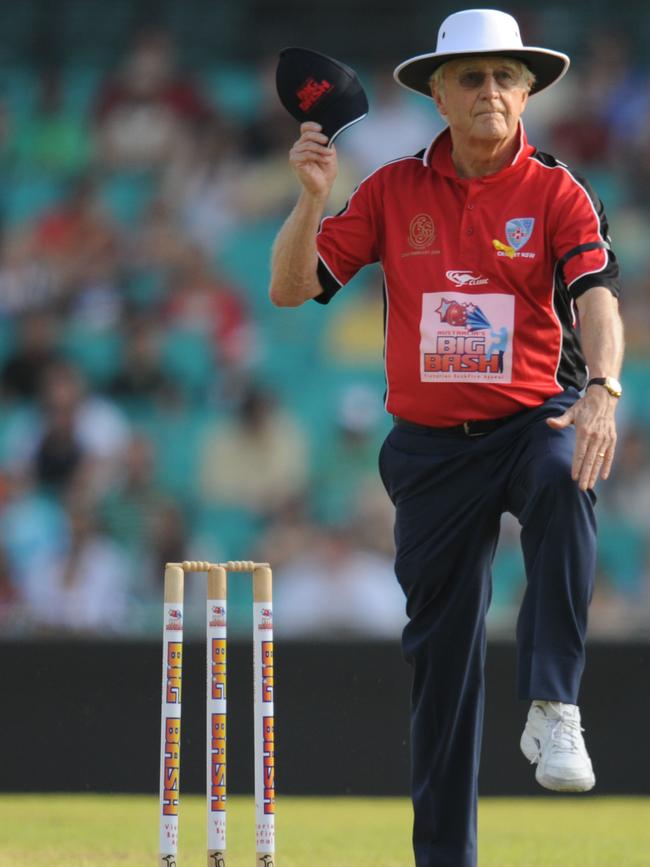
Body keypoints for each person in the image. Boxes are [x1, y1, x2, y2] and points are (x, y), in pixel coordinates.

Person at [269, 9, 624, 867]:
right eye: (472, 77)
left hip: (528, 418)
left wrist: (606, 388)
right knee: (442, 660)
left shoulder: (558, 190)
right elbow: (290, 288)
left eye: (506, 75)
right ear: (438, 93)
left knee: (564, 468)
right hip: (429, 451)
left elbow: (598, 299)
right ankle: (444, 859)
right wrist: (311, 200)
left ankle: (554, 706)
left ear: (529, 89)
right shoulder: (392, 189)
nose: (491, 91)